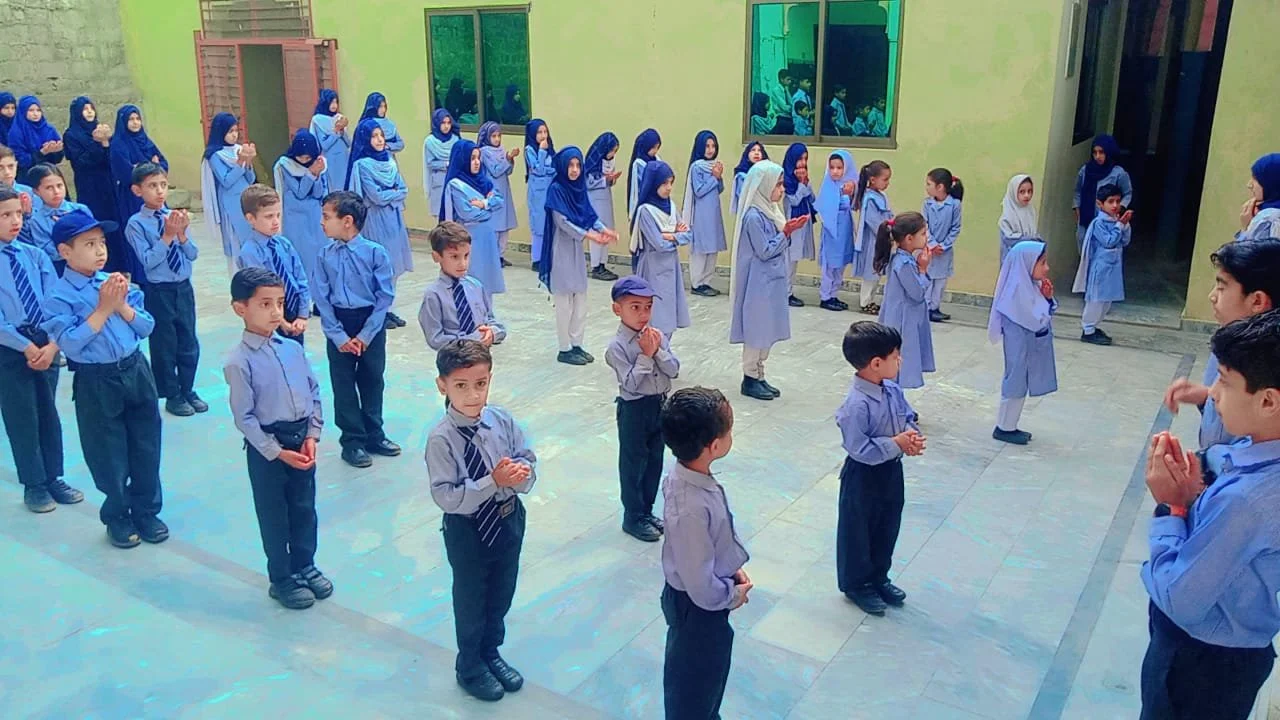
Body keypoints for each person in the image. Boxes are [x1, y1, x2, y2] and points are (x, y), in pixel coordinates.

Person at [1139, 309, 1280, 720]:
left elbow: (1183, 599)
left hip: (1201, 661)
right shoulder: (1253, 459)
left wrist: (1172, 506)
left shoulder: (1247, 502)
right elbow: (1224, 457)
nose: (1213, 393)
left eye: (1224, 381)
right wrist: (1199, 475)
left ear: (1269, 400)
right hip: (1235, 654)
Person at [44, 210, 165, 549]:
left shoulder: (115, 282)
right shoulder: (59, 296)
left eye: (101, 243)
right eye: (89, 244)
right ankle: (118, 515)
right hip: (97, 380)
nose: (99, 251)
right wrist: (102, 309)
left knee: (146, 443)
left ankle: (146, 510)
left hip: (135, 369)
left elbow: (146, 326)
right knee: (107, 452)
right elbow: (68, 343)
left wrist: (120, 305)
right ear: (66, 252)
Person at [427, 339, 536, 702]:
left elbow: (526, 456)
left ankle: (491, 651)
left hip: (507, 519)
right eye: (461, 386)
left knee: (501, 591)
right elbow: (446, 496)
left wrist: (523, 473)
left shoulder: (500, 419)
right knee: (472, 598)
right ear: (442, 385)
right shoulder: (442, 439)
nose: (473, 395)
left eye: (481, 383)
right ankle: (470, 665)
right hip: (468, 529)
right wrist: (493, 481)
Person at [224, 266, 332, 610]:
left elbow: (313, 391)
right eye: (265, 304)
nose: (275, 312)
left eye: (280, 303)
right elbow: (245, 418)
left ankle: (305, 564)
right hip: (269, 448)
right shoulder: (239, 362)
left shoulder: (292, 349)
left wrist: (313, 434)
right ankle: (282, 577)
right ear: (240, 308)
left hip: (301, 441)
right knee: (274, 513)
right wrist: (276, 451)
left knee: (304, 507)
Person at [659, 386, 751, 720]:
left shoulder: (689, 474)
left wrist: (731, 567)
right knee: (693, 686)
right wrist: (731, 594)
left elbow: (710, 544)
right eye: (728, 432)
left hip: (703, 600)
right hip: (697, 610)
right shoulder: (690, 506)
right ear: (714, 446)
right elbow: (700, 585)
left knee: (708, 680)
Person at [0, 188, 83, 513]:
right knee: (22, 416)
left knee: (48, 412)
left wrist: (51, 345)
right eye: (5, 216)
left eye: (17, 214)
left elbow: (55, 302)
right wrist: (26, 348)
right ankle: (34, 484)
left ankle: (53, 477)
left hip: (45, 342)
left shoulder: (34, 255)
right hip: (10, 347)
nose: (14, 221)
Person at [835, 321, 923, 615]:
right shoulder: (855, 405)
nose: (900, 360)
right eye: (895, 355)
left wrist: (909, 437)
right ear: (876, 363)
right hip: (863, 475)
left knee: (887, 524)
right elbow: (860, 449)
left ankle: (878, 576)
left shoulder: (893, 390)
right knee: (858, 530)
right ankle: (856, 584)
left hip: (890, 471)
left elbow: (907, 416)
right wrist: (895, 443)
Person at [1164, 239, 1280, 450]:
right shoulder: (1229, 341)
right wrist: (1205, 396)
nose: (1212, 296)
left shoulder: (1267, 366)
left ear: (1257, 301)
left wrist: (1203, 470)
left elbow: (1253, 449)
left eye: (1221, 287)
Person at [314, 191, 399, 469]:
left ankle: (374, 434)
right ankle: (352, 441)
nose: (322, 223)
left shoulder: (376, 253)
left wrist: (365, 336)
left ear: (347, 221)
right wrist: (338, 336)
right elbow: (322, 299)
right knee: (343, 384)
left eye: (327, 217)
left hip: (369, 326)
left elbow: (384, 297)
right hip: (339, 325)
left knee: (373, 380)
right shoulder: (324, 255)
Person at [126, 163, 203, 417]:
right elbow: (148, 261)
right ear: (137, 190)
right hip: (159, 291)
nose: (159, 191)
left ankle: (188, 388)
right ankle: (172, 394)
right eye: (152, 186)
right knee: (164, 344)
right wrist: (167, 236)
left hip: (183, 288)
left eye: (163, 185)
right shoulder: (136, 224)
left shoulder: (174, 217)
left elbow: (192, 254)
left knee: (188, 339)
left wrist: (181, 234)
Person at [606, 275, 679, 543]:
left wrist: (657, 350)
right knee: (633, 463)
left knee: (654, 461)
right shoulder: (617, 347)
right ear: (618, 309)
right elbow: (632, 384)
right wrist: (646, 356)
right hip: (634, 409)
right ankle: (632, 516)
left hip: (659, 405)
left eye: (647, 307)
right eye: (635, 307)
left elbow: (674, 370)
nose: (643, 314)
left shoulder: (655, 336)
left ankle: (646, 511)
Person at [728, 160, 808, 401]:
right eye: (778, 185)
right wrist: (786, 233)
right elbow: (764, 250)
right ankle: (750, 376)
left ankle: (760, 374)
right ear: (763, 186)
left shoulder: (772, 210)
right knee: (757, 328)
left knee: (768, 327)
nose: (781, 190)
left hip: (771, 280)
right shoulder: (753, 216)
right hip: (757, 282)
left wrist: (787, 232)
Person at [539, 147, 613, 365]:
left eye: (578, 165)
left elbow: (588, 214)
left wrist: (604, 229)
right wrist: (590, 235)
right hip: (560, 250)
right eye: (570, 165)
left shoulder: (578, 189)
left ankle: (577, 344)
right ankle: (564, 348)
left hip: (576, 251)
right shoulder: (556, 189)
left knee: (581, 298)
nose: (574, 170)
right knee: (564, 302)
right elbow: (563, 222)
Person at [988, 241, 1058, 444]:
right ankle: (1004, 427)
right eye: (1042, 263)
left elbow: (1042, 312)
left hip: (1026, 346)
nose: (1047, 268)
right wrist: (1046, 304)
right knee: (1015, 380)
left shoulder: (1030, 286)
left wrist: (1047, 298)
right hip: (1019, 346)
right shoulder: (1016, 291)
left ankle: (1010, 425)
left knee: (1021, 380)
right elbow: (1036, 319)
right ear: (1026, 264)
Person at [347, 118, 410, 329]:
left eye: (381, 135)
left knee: (393, 264)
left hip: (394, 219)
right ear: (365, 139)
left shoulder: (390, 161)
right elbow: (375, 197)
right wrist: (392, 194)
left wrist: (390, 194)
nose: (380, 140)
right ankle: (376, 314)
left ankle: (387, 309)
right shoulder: (362, 165)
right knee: (378, 266)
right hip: (375, 220)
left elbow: (404, 189)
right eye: (374, 136)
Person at [236, 184, 311, 345]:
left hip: (293, 312)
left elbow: (300, 279)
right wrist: (282, 323)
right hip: (268, 318)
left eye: (278, 215)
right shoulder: (250, 252)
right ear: (250, 218)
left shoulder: (284, 244)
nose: (276, 222)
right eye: (269, 217)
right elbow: (261, 291)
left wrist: (302, 315)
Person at [418, 221, 506, 351]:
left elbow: (491, 320)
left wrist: (492, 334)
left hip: (481, 358)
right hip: (453, 361)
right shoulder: (433, 295)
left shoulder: (476, 286)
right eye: (454, 257)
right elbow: (435, 339)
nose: (462, 264)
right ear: (437, 257)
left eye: (466, 256)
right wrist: (470, 341)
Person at [875, 211, 935, 389]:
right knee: (900, 366)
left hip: (903, 318)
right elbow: (916, 293)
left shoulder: (902, 259)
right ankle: (897, 408)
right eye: (923, 234)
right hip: (903, 322)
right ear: (909, 238)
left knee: (898, 367)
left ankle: (898, 405)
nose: (926, 237)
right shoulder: (904, 264)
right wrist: (923, 270)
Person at [631, 160, 691, 336]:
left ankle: (663, 354)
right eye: (664, 183)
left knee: (669, 313)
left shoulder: (671, 207)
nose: (669, 187)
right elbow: (658, 244)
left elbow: (688, 234)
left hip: (671, 267)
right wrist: (676, 237)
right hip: (652, 268)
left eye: (671, 182)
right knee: (654, 317)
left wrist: (671, 235)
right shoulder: (645, 211)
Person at [440, 138, 506, 298]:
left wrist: (483, 204)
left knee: (487, 281)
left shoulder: (484, 181)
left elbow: (499, 200)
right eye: (472, 158)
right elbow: (467, 212)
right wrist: (489, 209)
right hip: (470, 237)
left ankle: (488, 315)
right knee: (472, 278)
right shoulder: (456, 185)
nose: (477, 162)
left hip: (487, 237)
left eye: (478, 158)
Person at [1072, 183, 1133, 346]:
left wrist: (1125, 225)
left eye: (1117, 201)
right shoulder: (1098, 223)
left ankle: (1094, 327)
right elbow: (1109, 241)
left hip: (1112, 269)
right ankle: (1088, 329)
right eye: (1110, 201)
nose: (1115, 205)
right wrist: (1120, 225)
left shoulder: (1115, 221)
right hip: (1100, 269)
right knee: (1096, 301)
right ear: (1100, 204)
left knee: (1106, 302)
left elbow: (1125, 241)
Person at [109, 105, 167, 277]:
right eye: (130, 120)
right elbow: (126, 172)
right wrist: (150, 164)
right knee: (140, 232)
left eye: (137, 119)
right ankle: (142, 273)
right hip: (133, 196)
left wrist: (143, 166)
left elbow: (163, 165)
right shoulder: (118, 144)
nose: (135, 123)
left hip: (154, 193)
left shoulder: (145, 141)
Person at [272, 129, 329, 292]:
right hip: (295, 221)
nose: (304, 160)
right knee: (300, 260)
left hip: (315, 219)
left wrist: (316, 175)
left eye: (307, 157)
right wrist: (311, 174)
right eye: (301, 156)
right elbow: (300, 191)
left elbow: (318, 193)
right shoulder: (285, 166)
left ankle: (319, 298)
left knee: (318, 259)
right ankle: (303, 298)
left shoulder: (319, 164)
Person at [200, 112, 257, 273]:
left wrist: (249, 162)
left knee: (250, 238)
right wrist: (240, 162)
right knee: (235, 242)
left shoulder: (239, 149)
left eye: (236, 130)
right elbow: (226, 180)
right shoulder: (215, 155)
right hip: (230, 204)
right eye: (230, 131)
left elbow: (250, 178)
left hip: (246, 200)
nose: (234, 135)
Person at [63, 96, 120, 250]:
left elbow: (111, 159)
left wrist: (106, 142)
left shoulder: (100, 130)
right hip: (88, 184)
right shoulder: (71, 135)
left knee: (114, 221)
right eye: (85, 109)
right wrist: (97, 143)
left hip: (107, 182)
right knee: (95, 220)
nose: (89, 112)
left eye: (91, 108)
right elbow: (82, 162)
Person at [683, 130, 726, 297]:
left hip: (713, 213)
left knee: (712, 248)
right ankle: (697, 283)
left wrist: (719, 178)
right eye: (707, 146)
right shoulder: (697, 167)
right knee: (701, 249)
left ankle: (707, 281)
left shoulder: (714, 165)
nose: (710, 149)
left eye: (713, 146)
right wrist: (714, 177)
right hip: (701, 215)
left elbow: (720, 189)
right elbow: (699, 191)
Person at [25, 164, 90, 274]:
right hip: (60, 269)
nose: (56, 191)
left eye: (59, 185)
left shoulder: (80, 210)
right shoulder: (36, 220)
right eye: (49, 188)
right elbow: (47, 249)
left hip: (88, 261)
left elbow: (93, 234)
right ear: (36, 191)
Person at [1073, 134, 1132, 251]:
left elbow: (1128, 193)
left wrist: (1119, 208)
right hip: (1086, 221)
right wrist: (1077, 209)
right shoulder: (1086, 170)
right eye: (1094, 152)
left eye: (1101, 152)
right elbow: (1077, 191)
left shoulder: (1118, 173)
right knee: (1085, 254)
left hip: (1108, 223)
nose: (1097, 156)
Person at [816, 150, 856, 311]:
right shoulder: (828, 186)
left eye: (839, 168)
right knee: (829, 266)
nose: (835, 171)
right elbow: (824, 208)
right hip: (832, 232)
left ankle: (834, 295)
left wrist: (852, 189)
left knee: (840, 265)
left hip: (844, 231)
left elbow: (855, 204)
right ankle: (825, 297)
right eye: (832, 167)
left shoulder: (849, 185)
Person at [922, 168, 964, 322]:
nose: (926, 187)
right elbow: (924, 225)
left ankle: (935, 307)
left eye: (929, 184)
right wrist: (932, 244)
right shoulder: (927, 204)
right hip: (928, 249)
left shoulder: (955, 205)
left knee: (940, 281)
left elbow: (955, 227)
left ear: (940, 187)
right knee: (927, 278)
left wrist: (944, 245)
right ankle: (925, 307)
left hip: (944, 252)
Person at [477, 121, 520, 267]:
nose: (497, 139)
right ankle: (492, 256)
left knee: (504, 226)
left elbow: (508, 171)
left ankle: (501, 255)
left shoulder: (501, 150)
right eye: (493, 136)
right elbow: (495, 170)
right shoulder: (484, 152)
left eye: (499, 135)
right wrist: (507, 158)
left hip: (504, 191)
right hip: (493, 191)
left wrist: (511, 160)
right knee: (495, 225)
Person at [855, 160, 893, 313]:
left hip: (881, 239)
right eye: (885, 179)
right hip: (873, 241)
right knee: (870, 272)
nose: (887, 183)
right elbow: (873, 221)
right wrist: (886, 231)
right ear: (873, 179)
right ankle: (865, 302)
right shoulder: (869, 198)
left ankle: (872, 299)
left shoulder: (880, 196)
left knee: (876, 271)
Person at [584, 131, 622, 281]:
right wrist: (604, 180)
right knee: (597, 230)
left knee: (606, 229)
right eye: (611, 150)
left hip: (605, 197)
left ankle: (602, 263)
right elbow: (588, 182)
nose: (613, 154)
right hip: (594, 199)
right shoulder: (592, 161)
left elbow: (608, 178)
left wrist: (612, 179)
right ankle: (595, 265)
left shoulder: (609, 161)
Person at [782, 143, 816, 308]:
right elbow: (794, 200)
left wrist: (805, 183)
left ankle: (788, 291)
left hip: (801, 224)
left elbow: (812, 199)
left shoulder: (801, 180)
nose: (802, 163)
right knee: (788, 260)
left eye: (805, 159)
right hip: (791, 225)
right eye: (799, 159)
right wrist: (802, 184)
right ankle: (784, 293)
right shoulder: (786, 180)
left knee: (794, 261)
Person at [522, 118, 556, 271]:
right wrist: (541, 151)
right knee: (538, 225)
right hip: (537, 193)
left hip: (549, 190)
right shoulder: (530, 150)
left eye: (545, 132)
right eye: (539, 132)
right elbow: (538, 170)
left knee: (550, 223)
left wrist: (545, 168)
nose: (543, 135)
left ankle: (548, 256)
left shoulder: (550, 148)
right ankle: (537, 259)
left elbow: (553, 169)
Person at [6, 95, 63, 183]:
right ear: (23, 112)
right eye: (31, 110)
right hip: (28, 177)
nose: (35, 114)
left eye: (38, 110)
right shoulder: (16, 132)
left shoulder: (49, 129)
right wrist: (42, 153)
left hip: (49, 174)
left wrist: (57, 151)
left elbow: (57, 159)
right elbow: (20, 160)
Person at [423, 109, 460, 227]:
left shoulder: (455, 139)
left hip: (454, 180)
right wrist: (445, 164)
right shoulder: (430, 141)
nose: (446, 126)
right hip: (439, 181)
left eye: (449, 123)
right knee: (442, 219)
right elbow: (430, 163)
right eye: (443, 123)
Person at [309, 89, 351, 193]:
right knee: (334, 189)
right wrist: (336, 132)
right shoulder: (318, 120)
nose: (334, 105)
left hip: (344, 158)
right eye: (331, 102)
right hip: (330, 159)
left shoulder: (339, 118)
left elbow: (348, 143)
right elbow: (325, 145)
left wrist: (342, 130)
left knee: (345, 187)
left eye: (336, 102)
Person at [1238, 153, 1280, 241]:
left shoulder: (1267, 218)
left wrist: (1246, 228)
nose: (1249, 185)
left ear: (1271, 182)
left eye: (1256, 179)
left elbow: (1245, 253)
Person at [998, 174, 1039, 264]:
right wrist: (1029, 240)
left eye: (1030, 191)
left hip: (1028, 258)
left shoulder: (1030, 211)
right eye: (1022, 192)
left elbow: (1033, 233)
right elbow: (1009, 239)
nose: (1027, 195)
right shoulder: (1007, 216)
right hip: (1012, 260)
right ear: (1014, 192)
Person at [627, 128, 662, 220]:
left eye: (657, 147)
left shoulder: (657, 159)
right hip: (645, 200)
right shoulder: (639, 163)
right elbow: (637, 185)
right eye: (653, 147)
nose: (655, 151)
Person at [731, 142, 768, 214]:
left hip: (765, 211)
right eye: (753, 150)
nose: (756, 153)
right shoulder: (741, 176)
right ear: (747, 155)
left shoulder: (767, 173)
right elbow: (743, 196)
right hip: (749, 212)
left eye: (759, 150)